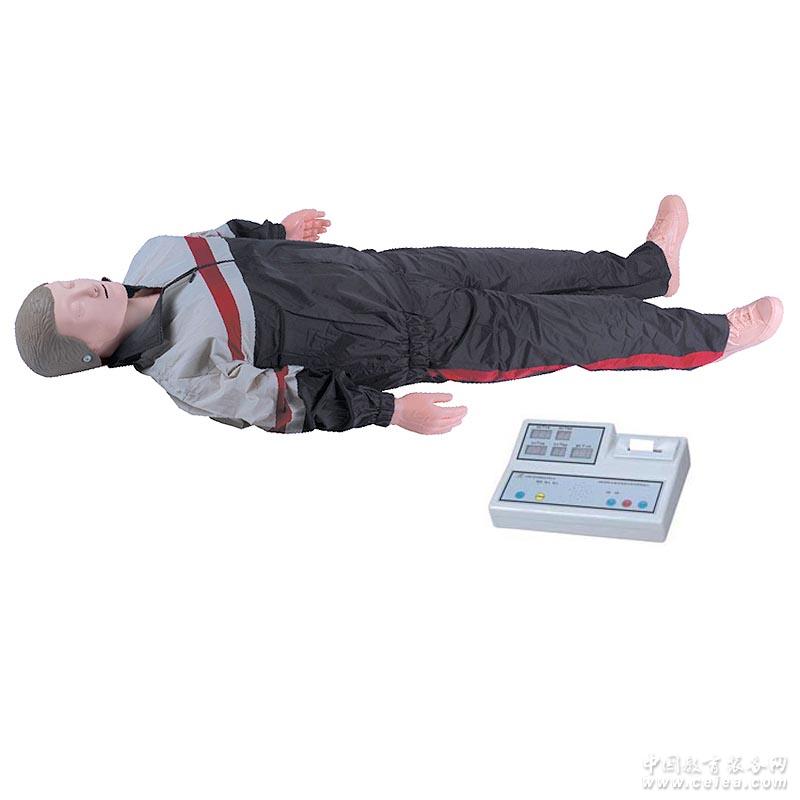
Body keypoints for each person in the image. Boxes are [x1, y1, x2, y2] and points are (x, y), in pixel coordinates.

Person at [14, 197, 783, 435]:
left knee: (542, 269)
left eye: (71, 283)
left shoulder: (153, 253)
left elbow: (226, 237)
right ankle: (713, 337)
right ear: (89, 355)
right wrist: (391, 412)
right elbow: (294, 403)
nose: (85, 289)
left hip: (395, 269)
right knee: (569, 332)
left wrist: (279, 230)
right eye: (76, 307)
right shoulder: (188, 371)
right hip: (418, 340)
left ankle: (649, 269)